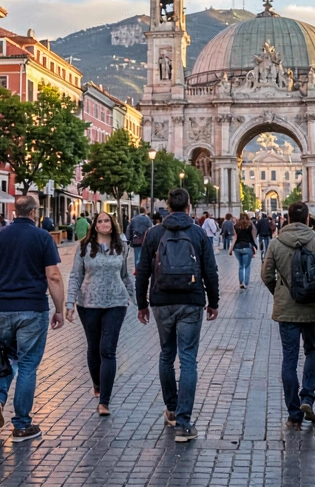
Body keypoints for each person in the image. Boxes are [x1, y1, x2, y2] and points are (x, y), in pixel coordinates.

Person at [135, 188, 220, 443]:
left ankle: (171, 409)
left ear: (167, 207)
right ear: (189, 206)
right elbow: (211, 271)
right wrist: (213, 302)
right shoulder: (197, 232)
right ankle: (184, 424)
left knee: (166, 355)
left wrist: (142, 304)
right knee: (188, 360)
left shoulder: (154, 233)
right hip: (191, 301)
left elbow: (142, 271)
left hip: (161, 301)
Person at [0, 193, 65, 441]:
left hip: (3, 307)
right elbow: (54, 276)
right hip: (32, 308)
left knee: (7, 358)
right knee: (27, 364)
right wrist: (59, 309)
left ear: (14, 211)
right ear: (35, 212)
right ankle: (22, 424)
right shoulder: (42, 237)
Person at [260, 202, 315, 429]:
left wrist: (280, 292)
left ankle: (293, 414)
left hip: (286, 309)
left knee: (289, 358)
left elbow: (266, 275)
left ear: (287, 218)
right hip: (313, 308)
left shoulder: (277, 243)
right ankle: (307, 397)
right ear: (308, 217)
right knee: (313, 350)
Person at [65, 210, 135, 417]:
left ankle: (104, 400)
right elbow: (76, 276)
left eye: (107, 220)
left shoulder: (122, 247)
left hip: (116, 303)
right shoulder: (84, 247)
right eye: (100, 221)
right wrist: (70, 303)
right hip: (88, 304)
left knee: (108, 350)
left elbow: (125, 276)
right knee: (93, 348)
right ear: (94, 225)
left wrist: (140, 303)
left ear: (113, 224)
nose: (104, 223)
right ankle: (97, 382)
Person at [230, 212, 257, 289]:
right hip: (247, 246)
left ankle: (241, 282)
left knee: (241, 266)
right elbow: (253, 236)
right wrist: (254, 246)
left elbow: (235, 238)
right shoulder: (250, 226)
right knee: (247, 266)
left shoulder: (236, 226)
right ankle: (245, 283)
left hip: (237, 248)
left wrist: (231, 248)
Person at [128, 206, 154, 270]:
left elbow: (129, 229)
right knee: (145, 256)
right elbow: (151, 228)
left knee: (137, 256)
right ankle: (144, 269)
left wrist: (129, 239)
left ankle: (137, 269)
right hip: (145, 240)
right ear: (144, 211)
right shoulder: (148, 219)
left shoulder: (134, 219)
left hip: (136, 240)